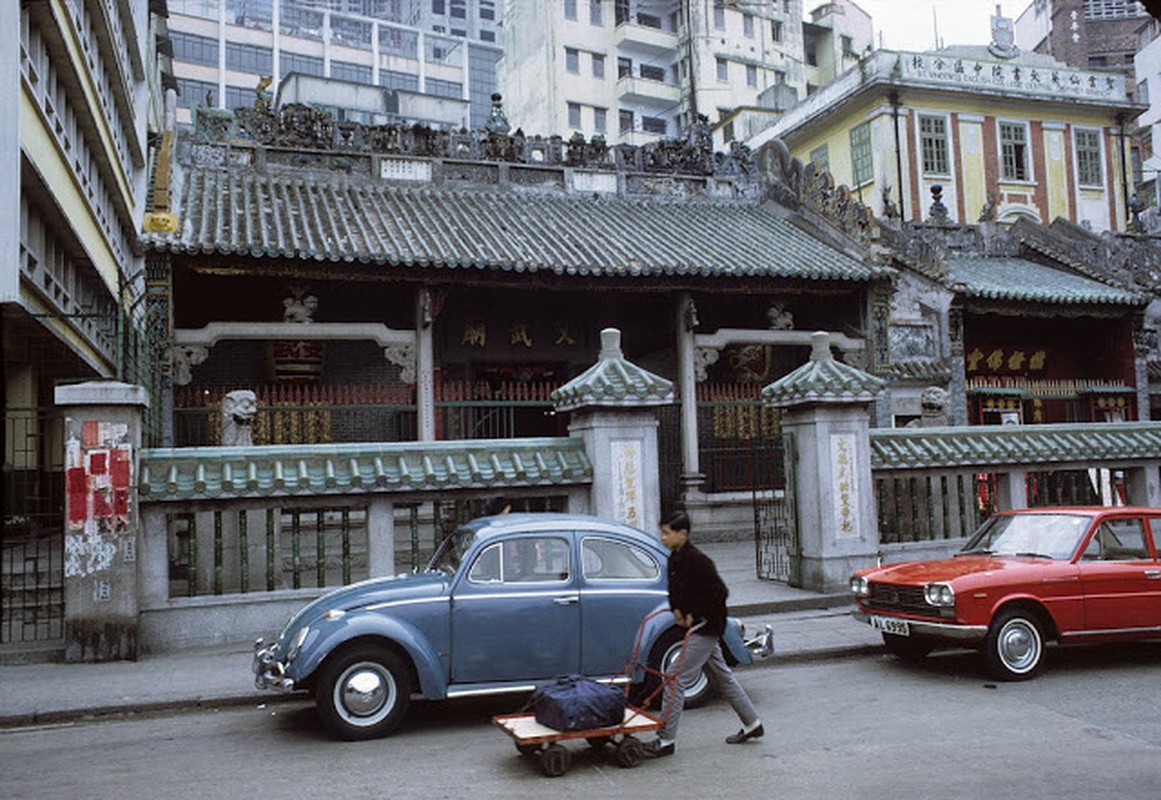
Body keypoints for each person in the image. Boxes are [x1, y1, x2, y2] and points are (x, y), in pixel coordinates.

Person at [645, 509, 763, 757]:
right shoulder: (674, 559)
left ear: (683, 534)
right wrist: (676, 609)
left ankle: (665, 740)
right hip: (693, 625)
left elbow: (719, 593)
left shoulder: (699, 561)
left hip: (706, 627)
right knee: (723, 677)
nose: (663, 538)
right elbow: (674, 590)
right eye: (662, 533)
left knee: (673, 677)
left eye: (667, 533)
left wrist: (695, 614)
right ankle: (752, 724)